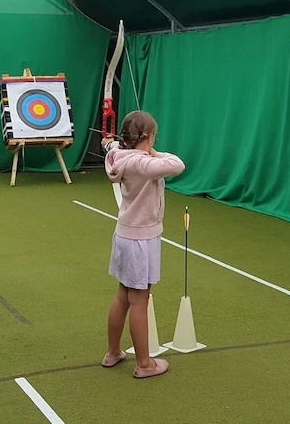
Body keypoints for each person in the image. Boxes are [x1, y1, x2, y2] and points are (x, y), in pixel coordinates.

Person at [100, 111, 184, 378]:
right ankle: (144, 364)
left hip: (125, 235)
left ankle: (113, 352)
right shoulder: (141, 163)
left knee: (123, 295)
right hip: (140, 240)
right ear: (148, 137)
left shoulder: (118, 155)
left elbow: (112, 148)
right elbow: (177, 164)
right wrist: (153, 152)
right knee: (139, 300)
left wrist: (111, 144)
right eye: (153, 137)